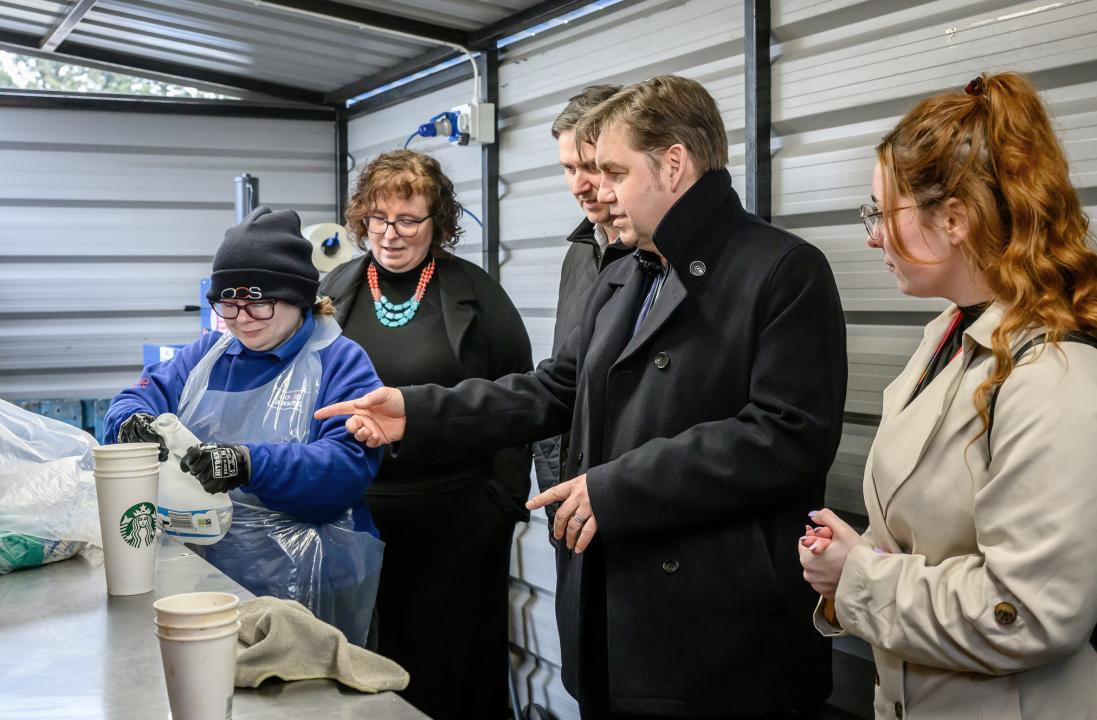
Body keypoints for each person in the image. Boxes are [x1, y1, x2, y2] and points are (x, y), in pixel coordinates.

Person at [318, 75, 848, 719]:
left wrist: (617, 488)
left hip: (721, 635)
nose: (597, 190)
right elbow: (555, 387)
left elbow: (788, 434)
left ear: (673, 164)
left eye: (615, 172)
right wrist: (420, 410)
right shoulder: (623, 272)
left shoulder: (782, 270)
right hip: (613, 608)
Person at [799, 72, 1097, 719]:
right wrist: (856, 556)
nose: (872, 235)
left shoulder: (1051, 373)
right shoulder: (949, 333)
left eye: (880, 212)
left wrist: (856, 578)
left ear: (955, 219)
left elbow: (1029, 614)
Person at [105, 206, 386, 646]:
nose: (241, 318)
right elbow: (134, 398)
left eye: (258, 302)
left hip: (308, 577)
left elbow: (347, 465)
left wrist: (250, 463)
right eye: (227, 304)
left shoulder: (340, 361)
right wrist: (129, 423)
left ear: (297, 297)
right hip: (205, 571)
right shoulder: (206, 356)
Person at [318, 149, 532, 720]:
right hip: (356, 518)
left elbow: (522, 402)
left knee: (454, 673)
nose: (390, 234)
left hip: (458, 521)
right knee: (366, 666)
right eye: (378, 218)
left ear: (437, 223)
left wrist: (502, 501)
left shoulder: (476, 295)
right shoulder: (333, 293)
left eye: (408, 220)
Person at [534, 84, 631, 517]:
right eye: (568, 168)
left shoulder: (662, 256)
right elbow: (564, 383)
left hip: (625, 501)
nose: (580, 185)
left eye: (591, 166)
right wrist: (555, 485)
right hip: (571, 501)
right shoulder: (579, 252)